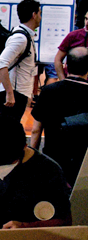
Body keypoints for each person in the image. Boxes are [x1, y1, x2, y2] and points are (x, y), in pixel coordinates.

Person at [31, 47, 88, 187]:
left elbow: (36, 130)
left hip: (53, 159)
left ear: (66, 66)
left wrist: (32, 159)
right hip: (82, 164)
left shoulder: (49, 91)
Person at [0, 0, 40, 121]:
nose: (41, 17)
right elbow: (1, 63)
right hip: (14, 94)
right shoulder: (20, 38)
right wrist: (10, 94)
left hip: (19, 93)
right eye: (40, 13)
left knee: (10, 133)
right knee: (8, 135)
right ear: (34, 15)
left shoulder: (25, 34)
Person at [54, 14, 88, 81]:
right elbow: (58, 59)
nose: (87, 22)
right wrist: (62, 80)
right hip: (72, 82)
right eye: (86, 19)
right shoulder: (73, 35)